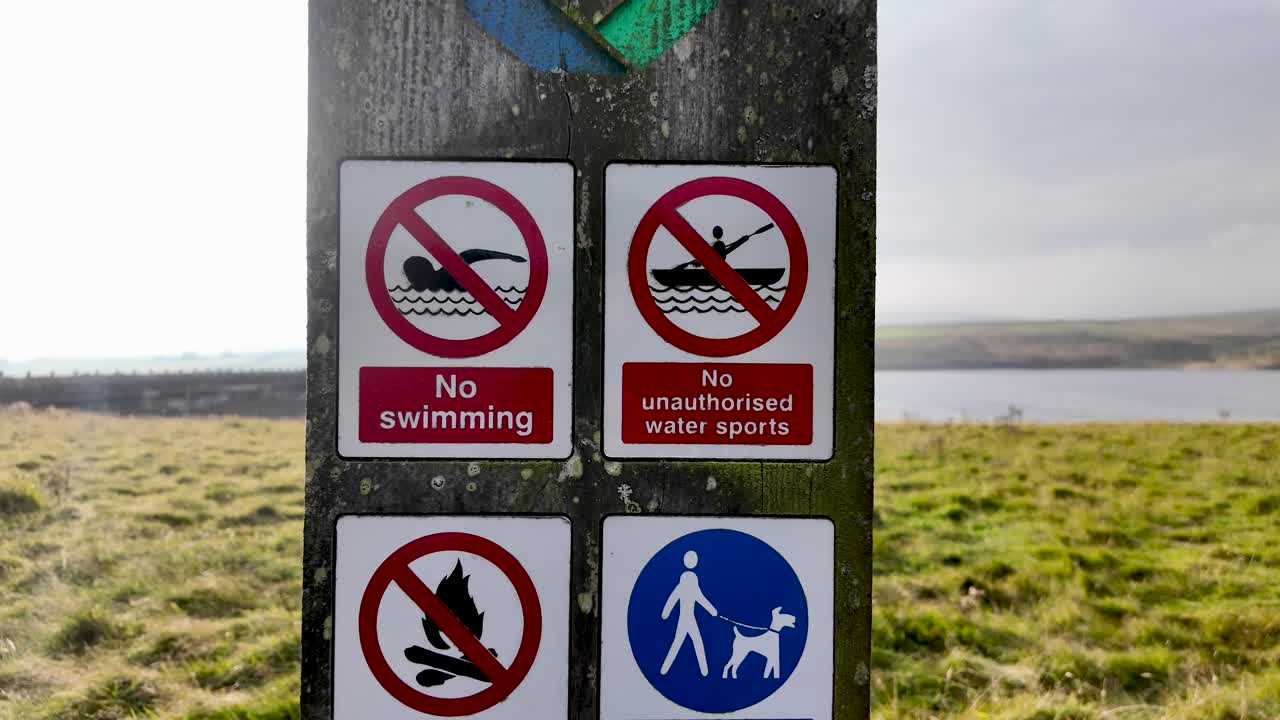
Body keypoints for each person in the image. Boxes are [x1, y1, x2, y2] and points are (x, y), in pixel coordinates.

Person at [659, 550, 719, 676]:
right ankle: (704, 671)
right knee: (695, 641)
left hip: (687, 619)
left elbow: (673, 598)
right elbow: (700, 599)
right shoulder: (688, 584)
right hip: (688, 620)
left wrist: (666, 613)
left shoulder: (685, 584)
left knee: (682, 642)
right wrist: (713, 611)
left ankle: (665, 670)